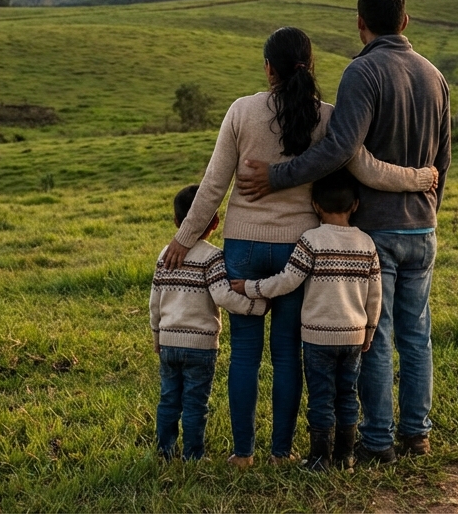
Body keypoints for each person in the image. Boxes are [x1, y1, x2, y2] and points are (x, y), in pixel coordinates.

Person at [162, 26, 436, 467]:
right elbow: (366, 170)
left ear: (268, 68)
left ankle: (242, 453)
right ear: (309, 65)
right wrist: (421, 179)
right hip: (299, 251)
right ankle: (281, 452)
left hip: (243, 247)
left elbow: (214, 186)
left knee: (246, 355)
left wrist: (183, 239)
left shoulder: (241, 111)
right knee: (288, 355)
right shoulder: (327, 117)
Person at [236, 0, 451, 464]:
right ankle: (417, 434)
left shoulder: (363, 73)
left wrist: (278, 176)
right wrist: (430, 214)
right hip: (424, 228)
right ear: (405, 20)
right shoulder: (435, 77)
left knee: (374, 337)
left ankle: (378, 441)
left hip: (377, 227)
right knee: (418, 336)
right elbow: (444, 162)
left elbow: (339, 149)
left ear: (359, 23)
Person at [230, 169, 381, 471]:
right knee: (348, 396)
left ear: (314, 206)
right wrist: (369, 329)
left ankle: (319, 458)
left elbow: (287, 281)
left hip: (317, 338)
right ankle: (346, 457)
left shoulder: (311, 241)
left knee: (321, 397)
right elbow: (375, 294)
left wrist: (250, 287)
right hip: (353, 337)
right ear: (355, 205)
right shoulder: (366, 244)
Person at [150, 184, 268, 460]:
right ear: (215, 222)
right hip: (201, 347)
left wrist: (157, 336)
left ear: (176, 221)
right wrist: (256, 305)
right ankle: (193, 455)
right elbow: (223, 296)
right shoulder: (213, 256)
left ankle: (163, 452)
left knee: (168, 399)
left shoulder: (165, 255)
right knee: (195, 403)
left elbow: (155, 302)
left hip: (168, 342)